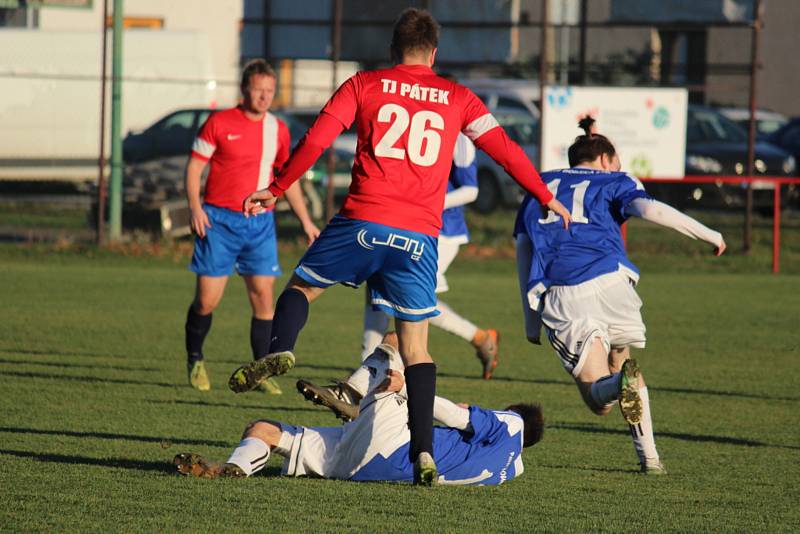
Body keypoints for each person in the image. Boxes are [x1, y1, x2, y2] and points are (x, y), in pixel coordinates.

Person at [227, 8, 569, 485]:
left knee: (301, 290)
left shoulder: (363, 85)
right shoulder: (458, 97)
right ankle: (423, 454)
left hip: (362, 220)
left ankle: (281, 349)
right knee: (416, 350)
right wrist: (546, 194)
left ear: (392, 50)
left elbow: (317, 139)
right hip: (418, 238)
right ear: (434, 52)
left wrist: (278, 185)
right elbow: (507, 152)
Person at [515, 117, 726, 474]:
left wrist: (530, 317)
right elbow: (650, 209)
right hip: (615, 283)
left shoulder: (541, 185)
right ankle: (651, 460)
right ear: (607, 159)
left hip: (566, 292)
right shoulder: (619, 180)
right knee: (622, 356)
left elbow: (524, 249)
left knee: (600, 401)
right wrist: (708, 233)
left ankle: (617, 384)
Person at [174, 334, 544, 485]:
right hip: (365, 468)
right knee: (263, 428)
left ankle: (350, 393)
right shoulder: (511, 469)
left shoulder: (512, 424)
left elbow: (454, 415)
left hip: (395, 446)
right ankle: (231, 469)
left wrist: (413, 390)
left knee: (400, 340)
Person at [183, 59, 319, 393]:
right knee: (207, 301)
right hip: (218, 222)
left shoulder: (279, 129)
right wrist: (195, 207)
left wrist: (305, 221)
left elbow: (289, 181)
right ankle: (196, 357)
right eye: (258, 89)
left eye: (269, 91)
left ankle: (259, 371)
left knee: (263, 299)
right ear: (245, 88)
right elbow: (194, 168)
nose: (263, 96)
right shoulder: (219, 122)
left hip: (259, 225)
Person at [360, 126, 500, 379]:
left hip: (442, 231)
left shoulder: (458, 135)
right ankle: (367, 366)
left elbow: (471, 190)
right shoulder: (409, 122)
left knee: (409, 297)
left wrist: (427, 205)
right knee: (380, 289)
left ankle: (369, 370)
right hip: (402, 223)